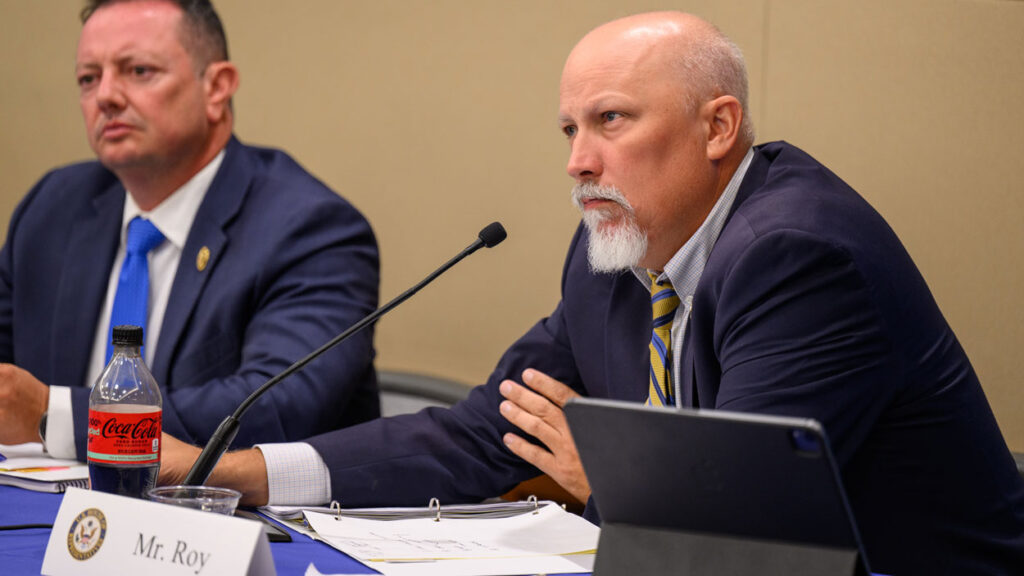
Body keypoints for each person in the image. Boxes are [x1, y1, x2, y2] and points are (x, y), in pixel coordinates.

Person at [159, 11, 1024, 574]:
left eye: (611, 120)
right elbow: (484, 432)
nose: (577, 160)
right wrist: (244, 475)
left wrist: (601, 474)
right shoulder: (615, 247)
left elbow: (743, 536)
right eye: (570, 129)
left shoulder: (796, 254)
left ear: (718, 127)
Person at [0, 0, 380, 462]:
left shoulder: (310, 229)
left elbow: (278, 407)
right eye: (88, 78)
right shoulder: (53, 207)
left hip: (243, 525)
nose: (106, 96)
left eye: (137, 70)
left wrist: (52, 413)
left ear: (217, 87)